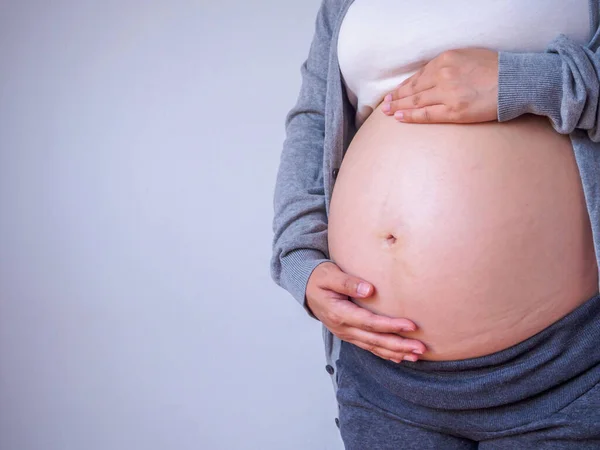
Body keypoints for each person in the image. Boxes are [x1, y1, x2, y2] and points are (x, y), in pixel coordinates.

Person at [270, 0, 600, 448]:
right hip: (383, 380)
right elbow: (314, 122)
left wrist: (525, 81)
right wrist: (299, 258)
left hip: (562, 372)